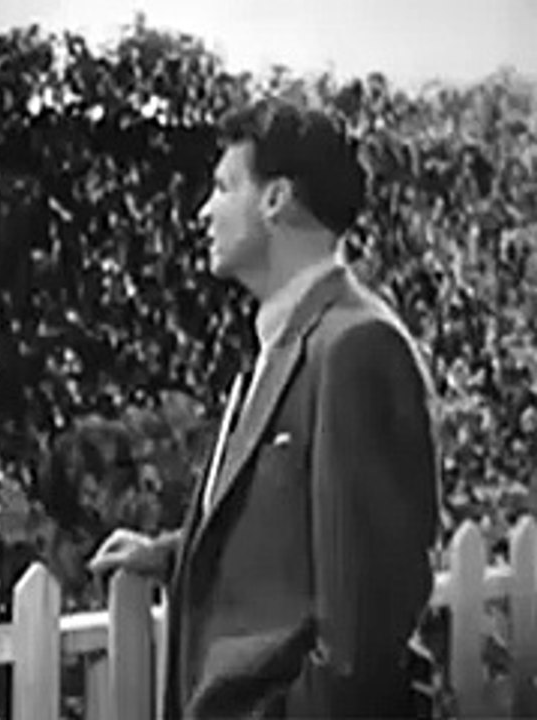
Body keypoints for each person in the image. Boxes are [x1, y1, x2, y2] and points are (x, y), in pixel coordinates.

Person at [89, 99, 440, 718]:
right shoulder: (283, 341)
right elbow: (292, 533)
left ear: (275, 199)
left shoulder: (356, 346)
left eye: (225, 187)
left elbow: (363, 629)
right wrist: (173, 553)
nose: (204, 210)